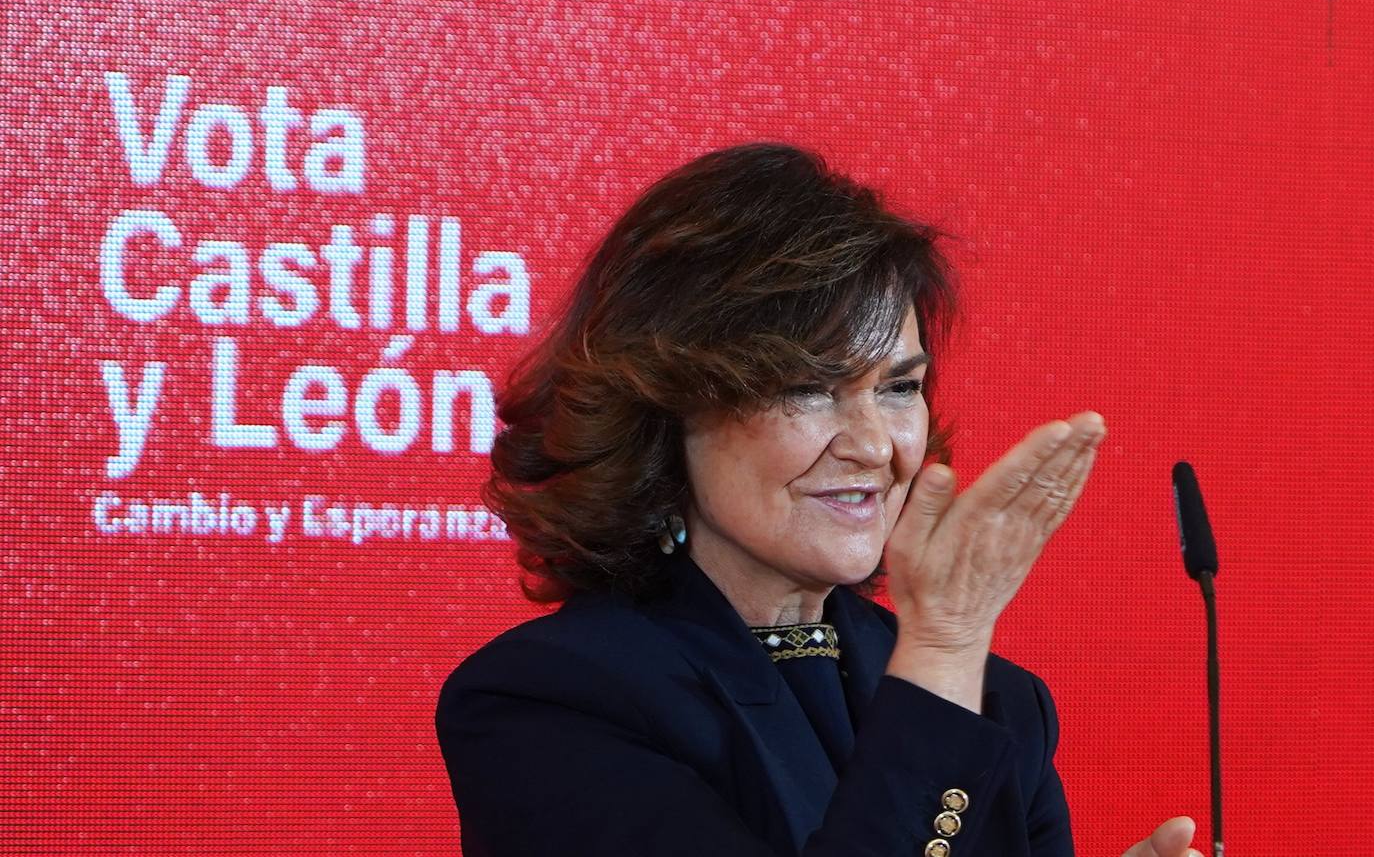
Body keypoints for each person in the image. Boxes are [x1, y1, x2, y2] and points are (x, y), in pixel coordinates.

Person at [435, 142, 1200, 857]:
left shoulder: (999, 704)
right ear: (665, 407)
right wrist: (940, 650)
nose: (875, 444)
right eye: (807, 387)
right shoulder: (548, 700)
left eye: (899, 387)